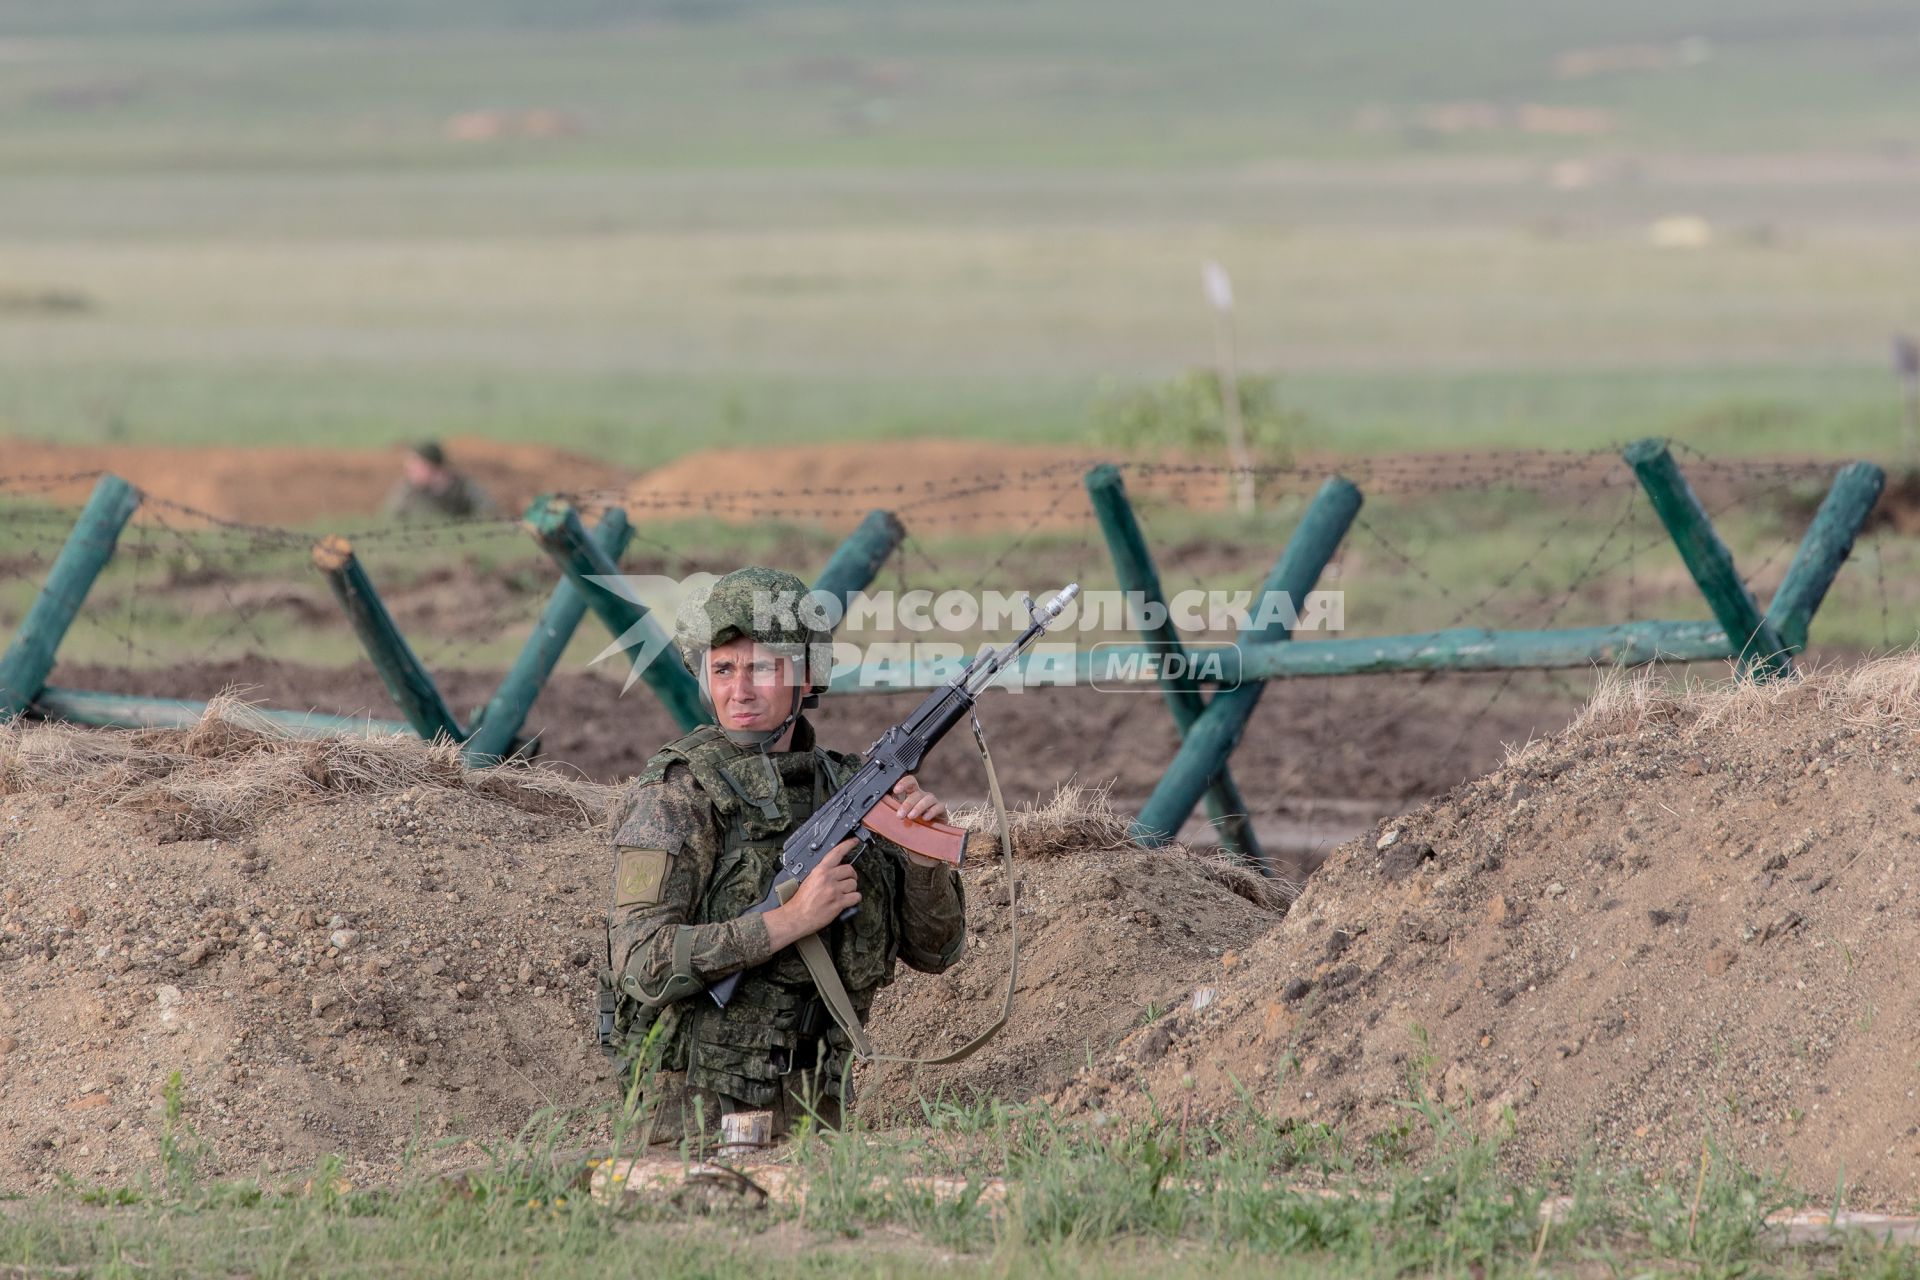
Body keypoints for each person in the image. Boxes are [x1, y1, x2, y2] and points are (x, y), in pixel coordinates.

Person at [600, 567, 966, 1142]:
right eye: (722, 669)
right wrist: (788, 922)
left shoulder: (849, 789)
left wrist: (924, 862)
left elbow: (937, 952)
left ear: (806, 677)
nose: (739, 690)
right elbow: (641, 962)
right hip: (688, 1121)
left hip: (819, 1114)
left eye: (763, 668)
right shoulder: (678, 794)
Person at [381, 440, 497, 520]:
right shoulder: (408, 489)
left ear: (431, 466)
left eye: (415, 468)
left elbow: (489, 510)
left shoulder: (462, 486)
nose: (410, 473)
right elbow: (390, 518)